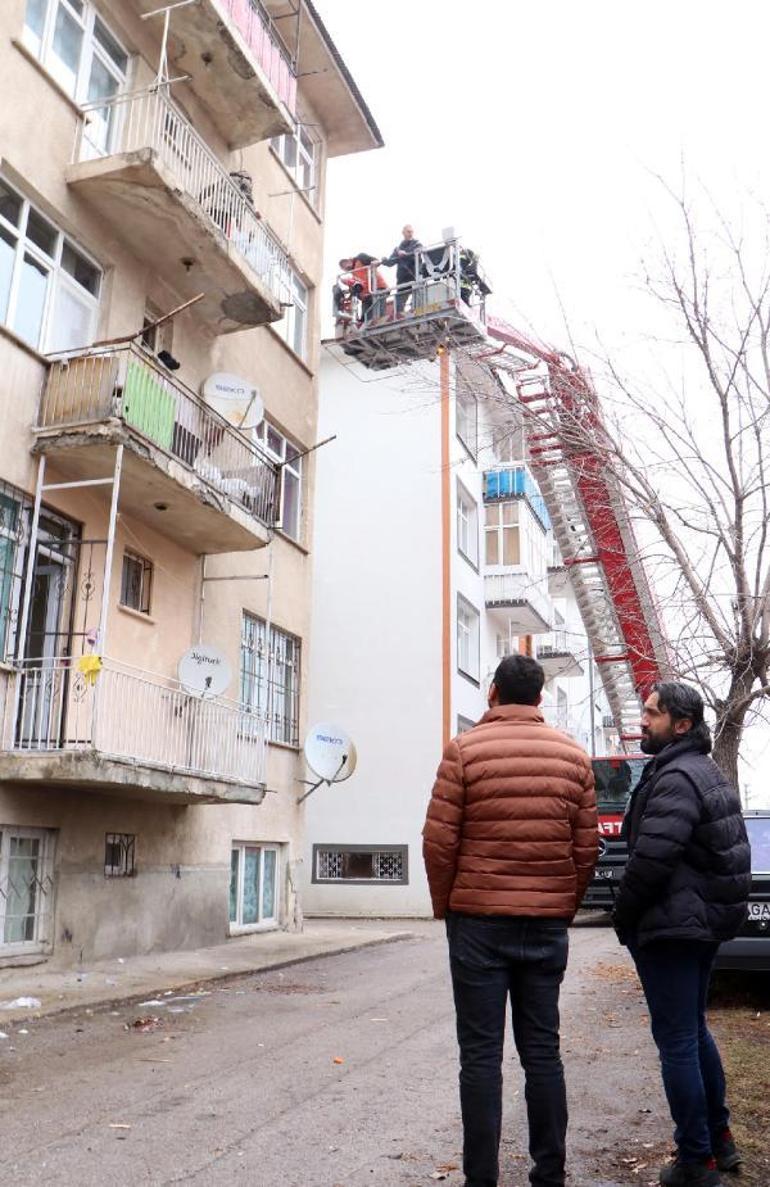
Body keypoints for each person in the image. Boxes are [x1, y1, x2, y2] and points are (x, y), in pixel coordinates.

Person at [423, 654, 598, 1187]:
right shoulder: (573, 757)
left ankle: (482, 1179)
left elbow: (438, 842)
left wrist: (447, 905)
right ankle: (550, 1175)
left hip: (477, 920)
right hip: (544, 922)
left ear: (493, 692)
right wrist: (562, 905)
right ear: (540, 698)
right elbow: (586, 848)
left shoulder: (465, 751)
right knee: (542, 1050)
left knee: (479, 1055)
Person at [612, 683, 751, 1187]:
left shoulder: (676, 777)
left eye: (653, 713)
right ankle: (720, 1140)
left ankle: (697, 1161)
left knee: (677, 1040)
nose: (643, 721)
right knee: (693, 1031)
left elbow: (651, 859)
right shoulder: (702, 770)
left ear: (682, 725)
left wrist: (622, 914)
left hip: (672, 928)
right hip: (698, 926)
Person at [381, 224, 422, 313]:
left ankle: (415, 316)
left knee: (417, 301)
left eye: (411, 232)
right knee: (399, 305)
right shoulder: (398, 248)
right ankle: (400, 318)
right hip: (402, 279)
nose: (410, 234)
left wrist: (405, 254)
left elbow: (417, 254)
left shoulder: (417, 244)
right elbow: (391, 262)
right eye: (408, 232)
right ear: (403, 233)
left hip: (415, 276)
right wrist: (384, 260)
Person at [338, 253, 388, 323]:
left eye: (346, 267)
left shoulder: (360, 258)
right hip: (366, 294)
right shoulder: (353, 273)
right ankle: (367, 324)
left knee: (379, 311)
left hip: (378, 287)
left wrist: (375, 262)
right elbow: (356, 288)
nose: (347, 269)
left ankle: (380, 323)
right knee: (366, 316)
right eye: (345, 269)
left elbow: (374, 261)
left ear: (348, 261)